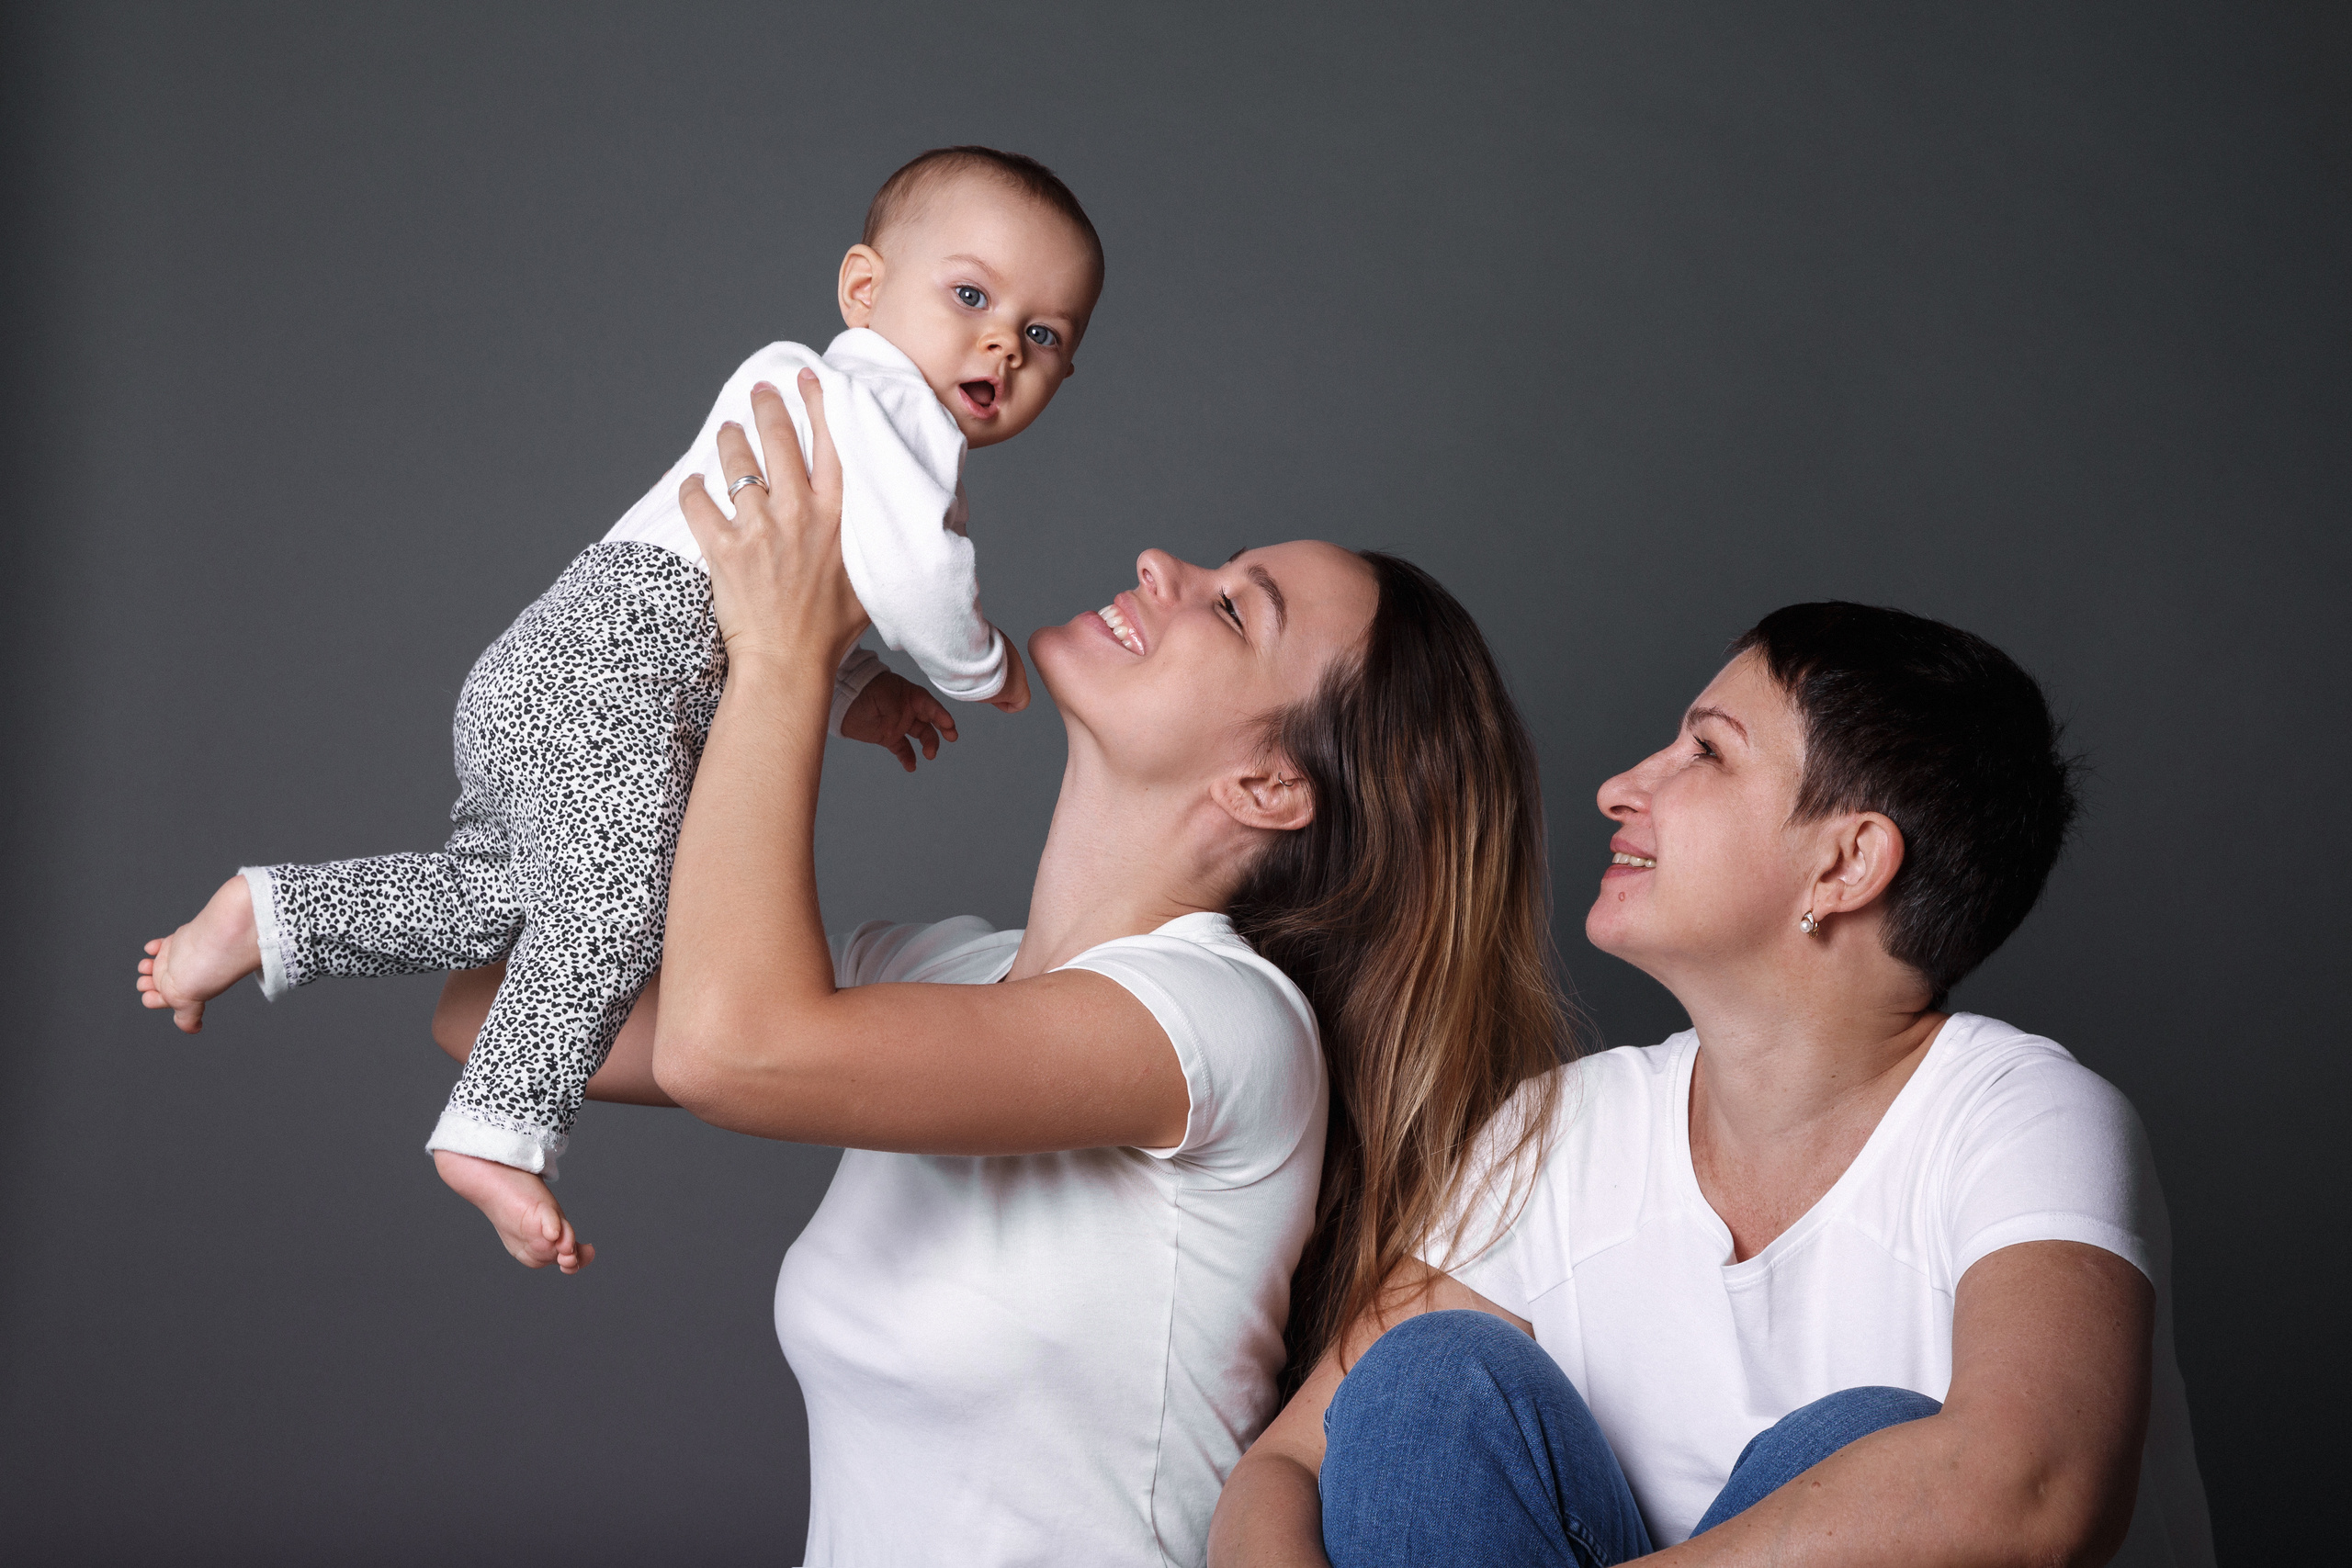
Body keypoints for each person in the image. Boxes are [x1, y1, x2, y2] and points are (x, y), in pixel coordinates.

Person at [435, 373, 1569, 1565]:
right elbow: (486, 1009)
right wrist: (656, 671)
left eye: (1236, 611)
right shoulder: (935, 971)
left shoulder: (1223, 1025)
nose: (1161, 566)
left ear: (1270, 787)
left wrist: (785, 654)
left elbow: (730, 1049)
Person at [133, 146, 1103, 1270]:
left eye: (1043, 337)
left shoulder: (822, 403)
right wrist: (978, 665)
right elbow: (907, 578)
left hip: (566, 662)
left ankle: (275, 917)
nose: (1000, 344)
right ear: (865, 291)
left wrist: (862, 688)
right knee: (621, 905)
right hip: (619, 678)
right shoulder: (887, 407)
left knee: (506, 905)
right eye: (973, 297)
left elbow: (756, 592)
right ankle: (499, 1128)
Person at [1212, 603, 2214, 1567]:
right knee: (1420, 1385)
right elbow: (1291, 1463)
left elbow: (2034, 1488)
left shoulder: (2024, 1118)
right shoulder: (1566, 1127)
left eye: (1706, 751)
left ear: (1845, 862)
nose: (1618, 787)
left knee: (1857, 1444)